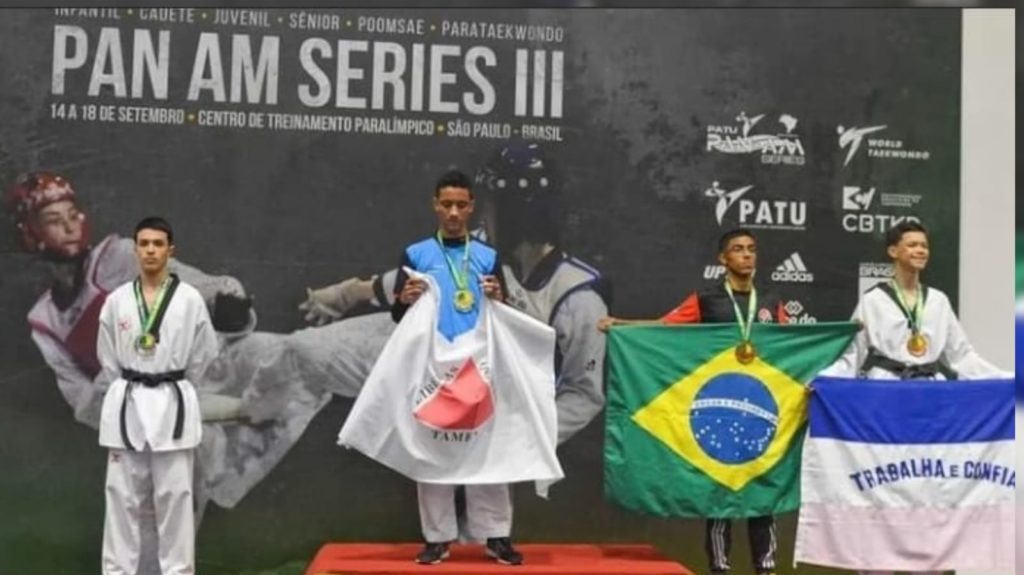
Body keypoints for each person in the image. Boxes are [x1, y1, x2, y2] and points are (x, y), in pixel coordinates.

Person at [4, 173, 330, 573]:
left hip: (206, 380)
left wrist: (226, 303)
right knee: (143, 532)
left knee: (290, 354)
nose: (71, 224)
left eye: (74, 213)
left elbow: (194, 286)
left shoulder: (119, 257)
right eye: (55, 218)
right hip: (139, 428)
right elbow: (85, 403)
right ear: (30, 233)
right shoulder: (45, 322)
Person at [298, 142, 608, 446]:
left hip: (504, 419)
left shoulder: (577, 297)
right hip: (442, 387)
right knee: (308, 349)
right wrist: (345, 294)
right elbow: (411, 280)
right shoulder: (475, 246)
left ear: (518, 213)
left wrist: (521, 443)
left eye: (490, 205)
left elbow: (583, 394)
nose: (480, 214)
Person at [821, 220, 1011, 575]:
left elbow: (961, 356)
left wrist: (1006, 380)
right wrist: (824, 382)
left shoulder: (937, 301)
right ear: (893, 252)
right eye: (912, 245)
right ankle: (875, 565)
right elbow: (851, 357)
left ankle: (933, 564)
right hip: (886, 401)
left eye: (924, 245)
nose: (920, 250)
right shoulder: (873, 302)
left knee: (929, 485)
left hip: (930, 403)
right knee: (883, 483)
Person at [598, 228, 787, 575]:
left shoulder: (771, 302)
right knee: (720, 494)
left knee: (763, 494)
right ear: (722, 259)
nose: (747, 255)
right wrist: (621, 326)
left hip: (761, 410)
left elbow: (793, 349)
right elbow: (664, 328)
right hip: (719, 408)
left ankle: (767, 568)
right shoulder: (706, 299)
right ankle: (719, 567)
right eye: (738, 250)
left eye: (751, 249)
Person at [389, 169, 522, 566]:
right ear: (435, 205)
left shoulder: (488, 256)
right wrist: (404, 299)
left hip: (477, 364)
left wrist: (500, 296)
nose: (452, 212)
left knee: (489, 452)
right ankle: (437, 537)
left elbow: (503, 312)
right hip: (432, 365)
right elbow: (398, 314)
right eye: (446, 204)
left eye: (460, 205)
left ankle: (496, 535)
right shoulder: (415, 254)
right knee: (431, 454)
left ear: (471, 208)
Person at [96, 216, 217, 575]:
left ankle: (178, 572)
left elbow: (204, 354)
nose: (150, 250)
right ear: (135, 250)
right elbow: (107, 357)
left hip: (172, 401)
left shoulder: (190, 299)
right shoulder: (117, 300)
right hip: (128, 402)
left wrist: (173, 382)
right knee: (121, 499)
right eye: (144, 244)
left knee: (176, 498)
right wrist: (133, 382)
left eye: (158, 244)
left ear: (170, 250)